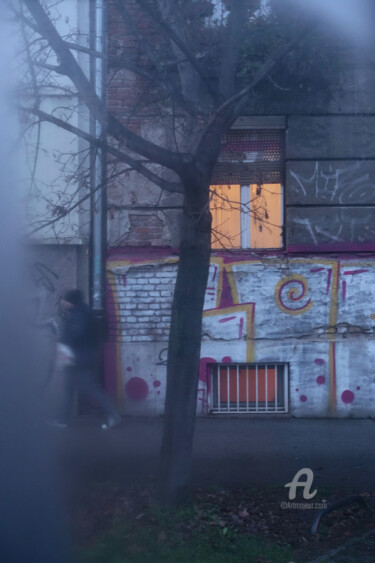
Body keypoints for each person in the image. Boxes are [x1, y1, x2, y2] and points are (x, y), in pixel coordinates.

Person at [53, 289, 121, 430]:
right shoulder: (80, 313)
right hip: (77, 358)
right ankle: (62, 420)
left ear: (72, 302)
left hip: (81, 359)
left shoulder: (80, 315)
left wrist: (62, 339)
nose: (62, 302)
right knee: (69, 389)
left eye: (65, 300)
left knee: (91, 388)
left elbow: (77, 334)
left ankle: (113, 415)